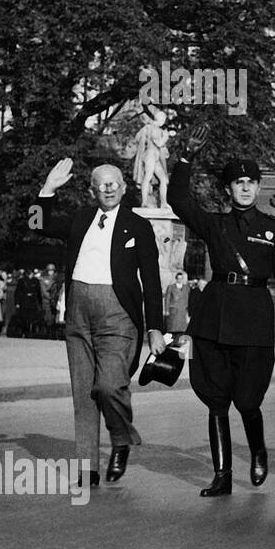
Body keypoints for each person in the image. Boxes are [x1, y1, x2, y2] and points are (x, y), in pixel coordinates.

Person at [168, 126, 275, 497]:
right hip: (214, 317)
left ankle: (257, 449)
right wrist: (186, 159)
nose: (245, 188)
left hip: (255, 319)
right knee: (216, 398)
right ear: (228, 188)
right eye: (238, 182)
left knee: (248, 401)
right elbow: (178, 200)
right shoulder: (215, 223)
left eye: (251, 182)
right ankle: (222, 475)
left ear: (258, 187)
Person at [37, 158, 166, 485]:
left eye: (114, 183)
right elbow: (36, 224)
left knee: (108, 385)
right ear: (92, 189)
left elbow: (151, 281)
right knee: (83, 392)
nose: (108, 188)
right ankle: (87, 467)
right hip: (78, 314)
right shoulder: (80, 220)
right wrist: (48, 189)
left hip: (118, 316)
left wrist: (154, 328)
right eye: (101, 183)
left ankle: (121, 438)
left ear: (123, 188)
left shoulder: (138, 226)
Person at [164, 270, 190, 336]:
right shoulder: (171, 287)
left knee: (181, 328)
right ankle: (171, 341)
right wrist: (166, 310)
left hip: (182, 309)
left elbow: (187, 298)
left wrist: (187, 310)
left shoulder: (186, 288)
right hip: (174, 309)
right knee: (172, 327)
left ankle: (179, 341)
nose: (180, 280)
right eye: (178, 278)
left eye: (181, 278)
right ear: (176, 279)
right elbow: (167, 298)